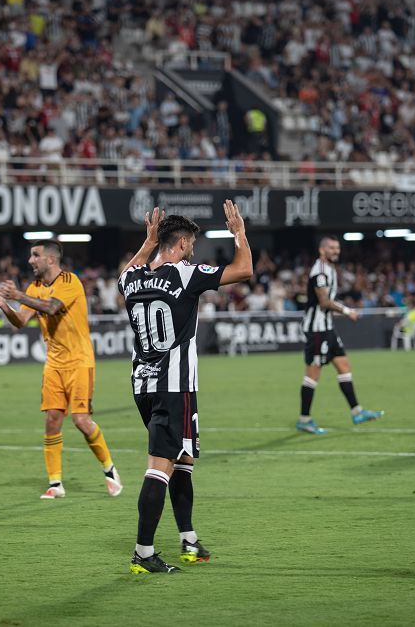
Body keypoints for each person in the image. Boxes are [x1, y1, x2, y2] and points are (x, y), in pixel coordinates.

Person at [119, 201, 253, 574]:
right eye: (191, 245)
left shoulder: (131, 279)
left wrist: (148, 242)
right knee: (160, 468)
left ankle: (188, 539)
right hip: (173, 386)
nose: (193, 251)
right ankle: (143, 553)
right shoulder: (184, 274)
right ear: (179, 245)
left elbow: (128, 270)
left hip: (142, 384)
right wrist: (239, 232)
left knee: (183, 460)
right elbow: (245, 270)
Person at [0, 240, 123, 499]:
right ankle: (55, 484)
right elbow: (21, 321)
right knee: (52, 420)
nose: (31, 260)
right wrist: (4, 306)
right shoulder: (34, 287)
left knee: (81, 421)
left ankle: (109, 470)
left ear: (51, 260)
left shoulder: (70, 281)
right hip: (54, 364)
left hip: (79, 361)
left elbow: (52, 307)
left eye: (36, 255)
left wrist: (18, 296)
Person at [296, 236, 384, 435]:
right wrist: (347, 311)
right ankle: (304, 419)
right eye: (331, 248)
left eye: (337, 248)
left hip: (327, 327)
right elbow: (324, 302)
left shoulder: (329, 269)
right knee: (313, 374)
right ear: (321, 250)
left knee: (344, 366)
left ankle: (357, 411)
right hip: (317, 329)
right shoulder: (319, 271)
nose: (336, 251)